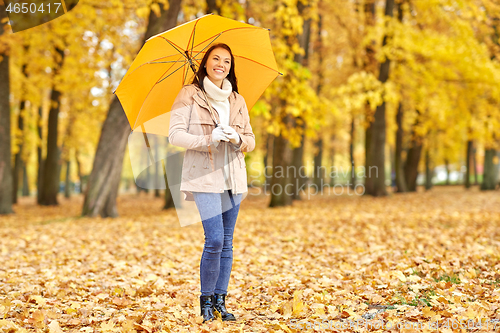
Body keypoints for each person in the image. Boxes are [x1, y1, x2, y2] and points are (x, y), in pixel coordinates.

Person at [168, 43, 255, 323]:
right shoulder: (189, 95)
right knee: (215, 239)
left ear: (231, 67)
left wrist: (236, 138)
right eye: (215, 59)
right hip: (203, 176)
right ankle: (205, 302)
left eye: (226, 61)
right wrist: (210, 138)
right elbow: (175, 136)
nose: (221, 64)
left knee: (228, 242)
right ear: (205, 63)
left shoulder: (237, 100)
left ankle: (220, 302)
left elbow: (251, 140)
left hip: (233, 176)